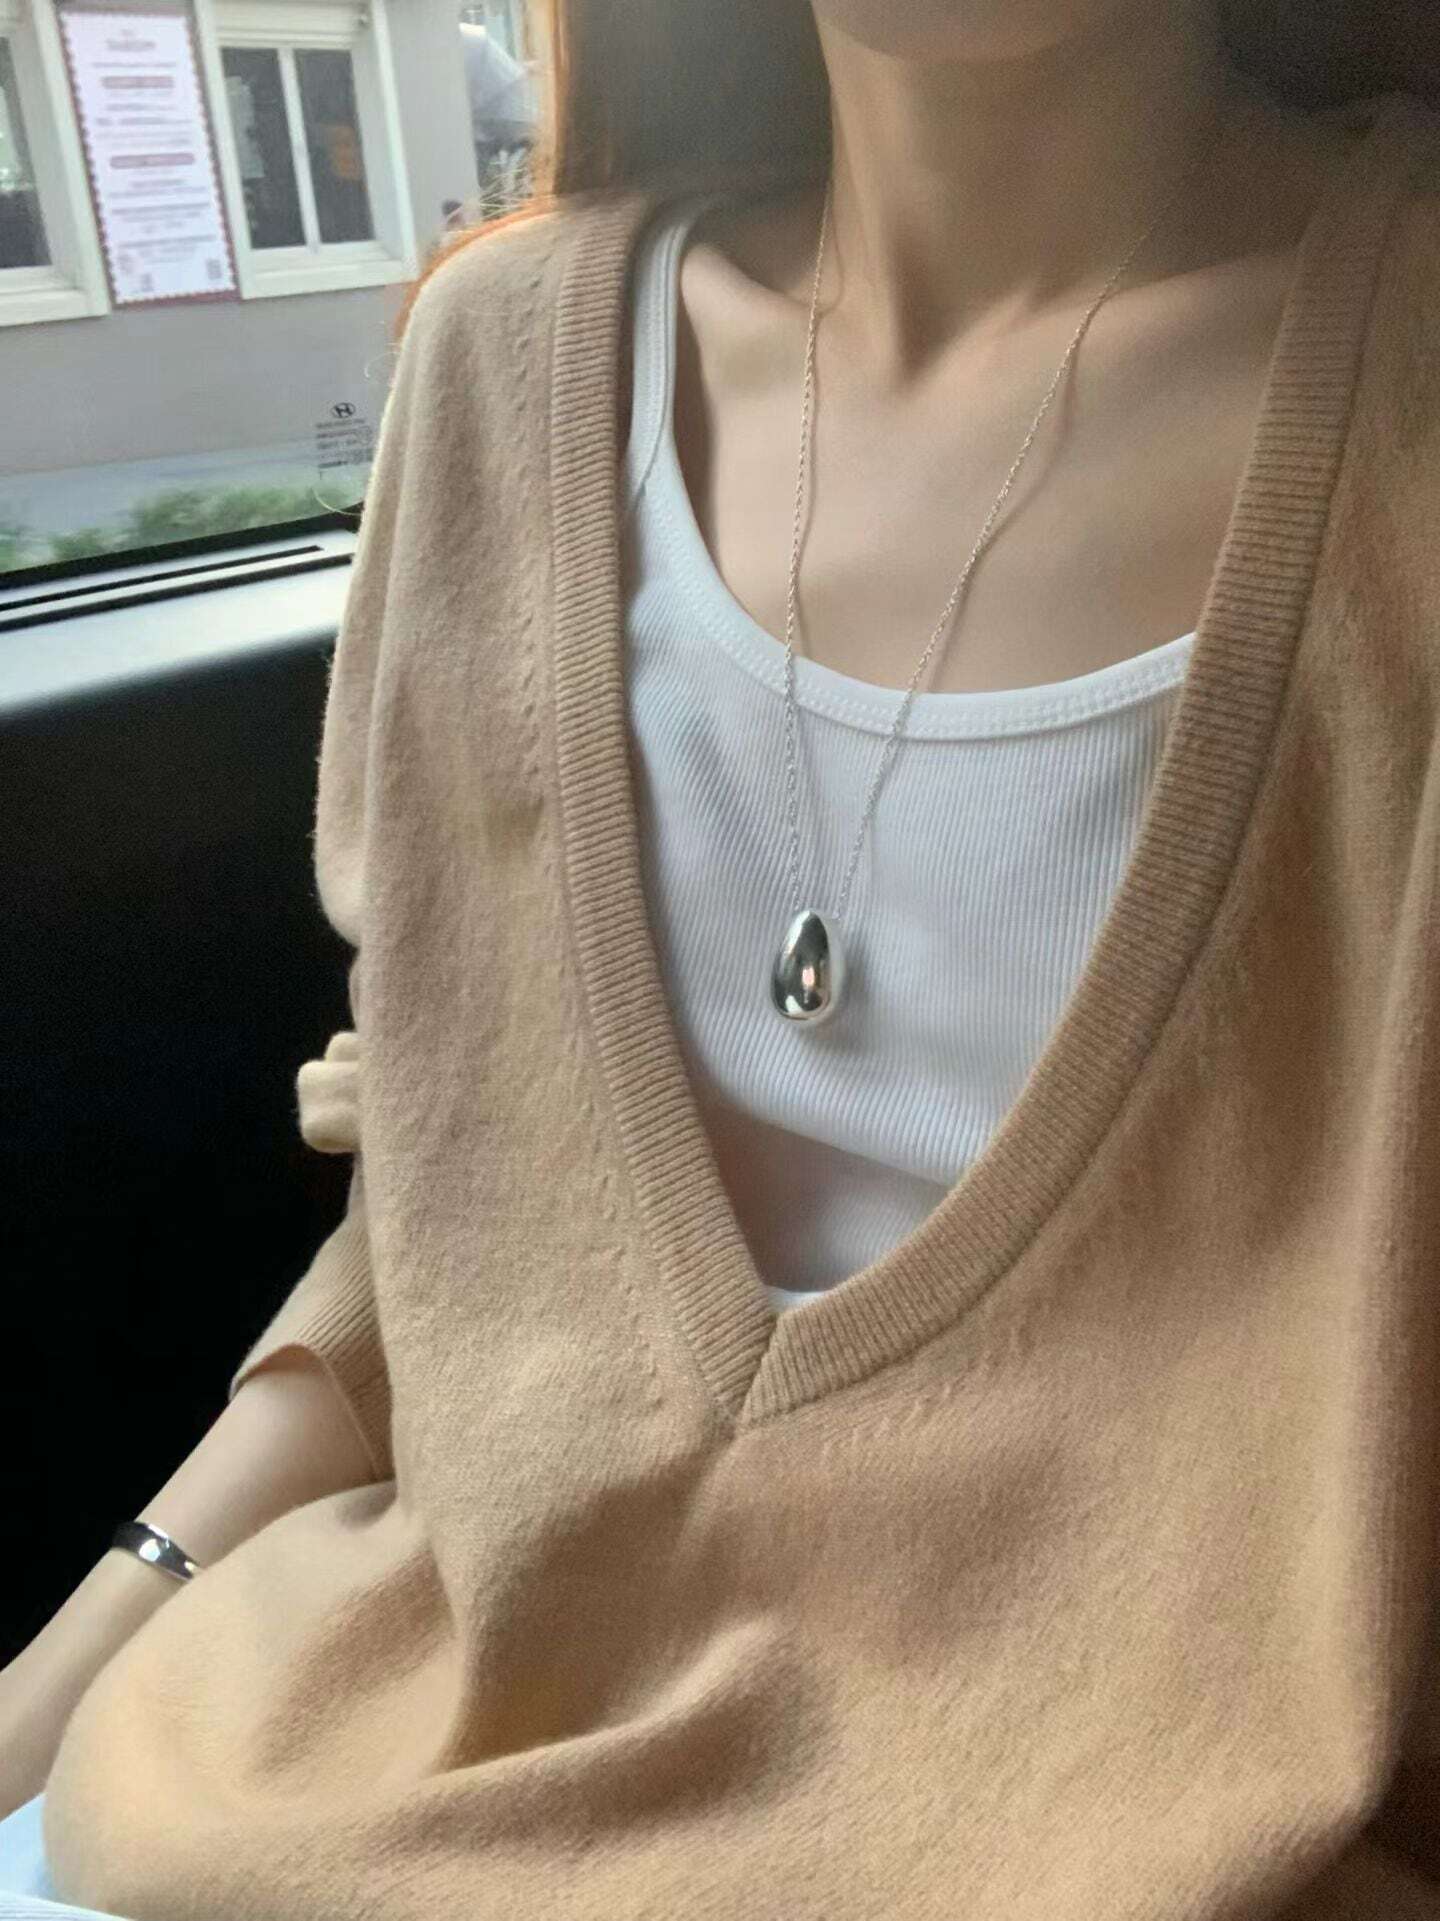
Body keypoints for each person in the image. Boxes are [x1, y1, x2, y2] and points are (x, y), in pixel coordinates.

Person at [1, 0, 1437, 1914]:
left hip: (1173, 1821)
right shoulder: (506, 364)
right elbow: (446, 1239)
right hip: (393, 1752)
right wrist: (65, 1668)